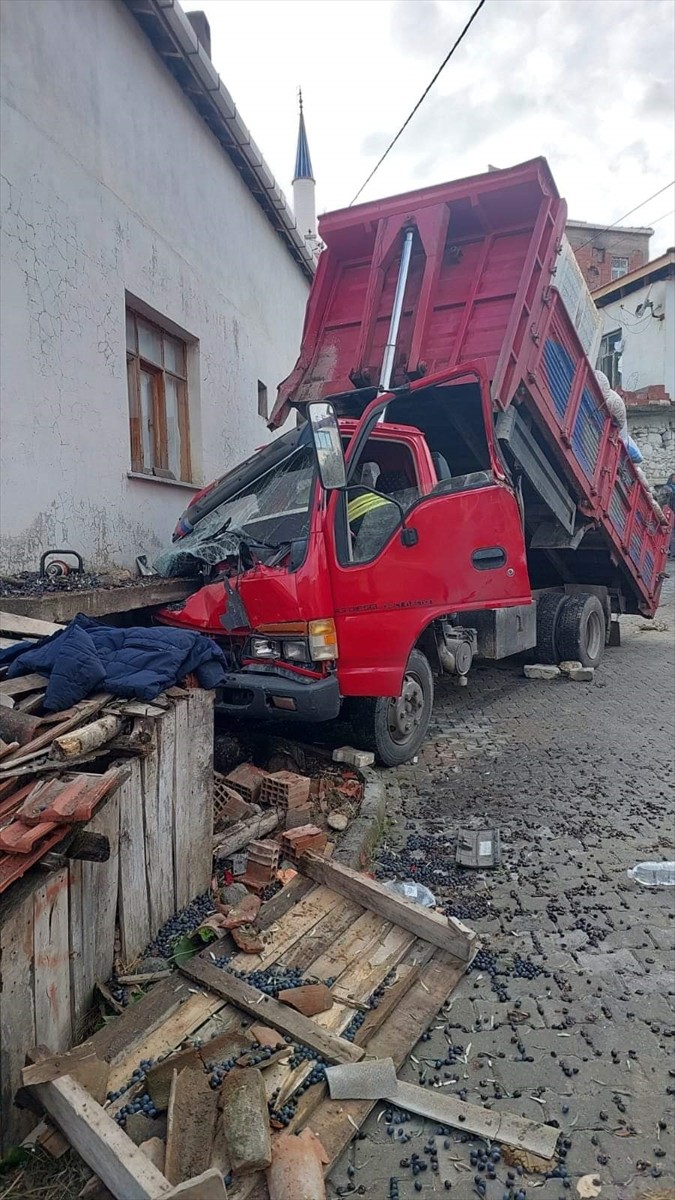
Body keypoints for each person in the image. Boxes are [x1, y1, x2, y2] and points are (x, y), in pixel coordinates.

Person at [664, 472, 675, 557]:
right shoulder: (667, 488)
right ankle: (670, 551)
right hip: (670, 512)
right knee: (670, 532)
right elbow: (665, 501)